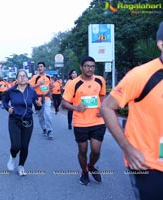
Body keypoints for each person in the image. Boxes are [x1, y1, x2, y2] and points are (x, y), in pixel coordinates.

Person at [100, 21, 163, 200]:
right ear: (161, 44)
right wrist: (127, 148)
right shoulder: (141, 75)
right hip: (149, 164)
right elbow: (107, 107)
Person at [61, 56, 106, 185]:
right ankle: (84, 172)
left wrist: (102, 107)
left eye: (92, 66)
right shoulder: (74, 83)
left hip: (97, 121)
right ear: (81, 67)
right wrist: (75, 107)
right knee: (82, 150)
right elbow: (64, 103)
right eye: (87, 66)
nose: (90, 69)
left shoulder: (100, 80)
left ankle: (91, 166)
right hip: (80, 122)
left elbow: (102, 95)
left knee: (96, 150)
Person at [3, 69, 41, 176]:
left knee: (24, 146)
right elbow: (4, 102)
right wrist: (7, 108)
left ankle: (21, 166)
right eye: (20, 76)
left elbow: (37, 104)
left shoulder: (32, 91)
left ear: (27, 78)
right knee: (16, 145)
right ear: (16, 79)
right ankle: (12, 157)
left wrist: (38, 104)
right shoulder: (11, 91)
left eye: (24, 76)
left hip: (28, 121)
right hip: (14, 120)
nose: (22, 78)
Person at [29, 62, 54, 139]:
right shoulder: (35, 77)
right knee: (40, 116)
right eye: (39, 67)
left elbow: (50, 86)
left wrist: (51, 89)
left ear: (44, 68)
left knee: (47, 114)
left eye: (41, 66)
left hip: (46, 98)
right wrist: (38, 84)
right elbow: (30, 87)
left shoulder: (48, 77)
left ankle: (49, 130)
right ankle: (44, 128)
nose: (40, 68)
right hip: (38, 99)